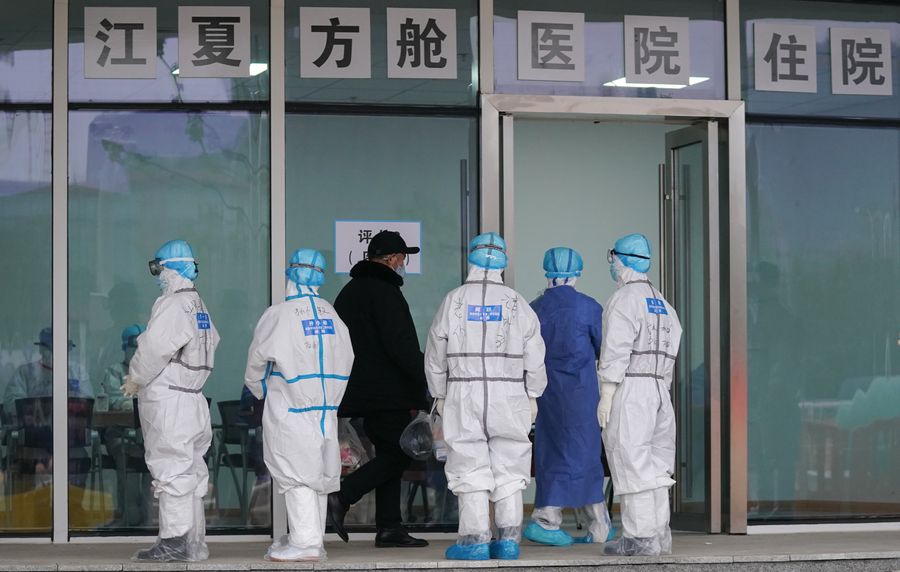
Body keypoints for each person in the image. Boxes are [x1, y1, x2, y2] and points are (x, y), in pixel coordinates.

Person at [425, 232, 547, 561]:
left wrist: (439, 393)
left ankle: (475, 539)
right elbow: (536, 355)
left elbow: (435, 354)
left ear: (472, 259)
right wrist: (533, 394)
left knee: (468, 462)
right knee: (510, 463)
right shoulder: (517, 303)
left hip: (463, 390)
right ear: (503, 261)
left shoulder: (454, 300)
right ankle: (508, 540)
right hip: (510, 392)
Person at [244, 249, 354, 562]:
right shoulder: (332, 315)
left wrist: (260, 390)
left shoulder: (279, 315)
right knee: (318, 476)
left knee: (297, 475)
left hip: (291, 408)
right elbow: (347, 358)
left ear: (291, 273)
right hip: (325, 411)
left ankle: (305, 543)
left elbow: (256, 364)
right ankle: (312, 539)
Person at [326, 230, 429, 548]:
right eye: (403, 258)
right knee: (399, 454)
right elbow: (401, 345)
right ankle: (344, 495)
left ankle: (389, 527)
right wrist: (424, 381)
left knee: (389, 453)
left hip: (359, 391)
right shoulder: (386, 292)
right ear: (394, 259)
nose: (403, 264)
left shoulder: (349, 292)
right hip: (387, 393)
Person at [122, 239, 219, 562]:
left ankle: (174, 542)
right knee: (191, 472)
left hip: (171, 401)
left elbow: (153, 348)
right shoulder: (198, 305)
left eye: (158, 269)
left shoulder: (173, 304)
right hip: (193, 400)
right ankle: (193, 543)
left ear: (170, 269)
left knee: (172, 470)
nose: (158, 276)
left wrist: (135, 377)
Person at [597, 233, 682, 557]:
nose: (612, 264)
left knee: (630, 461)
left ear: (621, 260)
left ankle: (639, 538)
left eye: (612, 257)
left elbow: (616, 349)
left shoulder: (624, 300)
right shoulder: (664, 304)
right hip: (660, 390)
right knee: (657, 467)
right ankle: (659, 536)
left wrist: (607, 391)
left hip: (632, 388)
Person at [524, 247, 613, 547]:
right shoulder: (589, 308)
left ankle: (548, 519)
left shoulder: (534, 309)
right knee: (586, 454)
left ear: (547, 271)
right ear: (577, 272)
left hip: (547, 396)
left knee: (552, 454)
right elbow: (605, 351)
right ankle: (598, 524)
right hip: (582, 395)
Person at [3, 327, 92, 422]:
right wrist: (37, 409)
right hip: (34, 427)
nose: (56, 353)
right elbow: (11, 404)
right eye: (51, 349)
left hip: (70, 428)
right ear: (41, 349)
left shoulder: (78, 372)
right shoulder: (24, 372)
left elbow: (88, 404)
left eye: (61, 348)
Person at [99, 324, 144, 411]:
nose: (138, 351)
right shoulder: (114, 371)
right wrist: (128, 405)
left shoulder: (154, 372)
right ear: (125, 348)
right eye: (134, 347)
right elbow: (113, 399)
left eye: (143, 346)